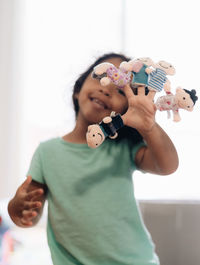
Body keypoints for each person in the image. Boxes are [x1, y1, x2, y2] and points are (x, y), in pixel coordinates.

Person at [8, 53, 179, 265]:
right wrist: (17, 209)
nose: (106, 89)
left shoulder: (123, 149)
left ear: (126, 109)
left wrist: (149, 127)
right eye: (101, 77)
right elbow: (29, 215)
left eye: (119, 89)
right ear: (78, 89)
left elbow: (168, 166)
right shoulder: (47, 152)